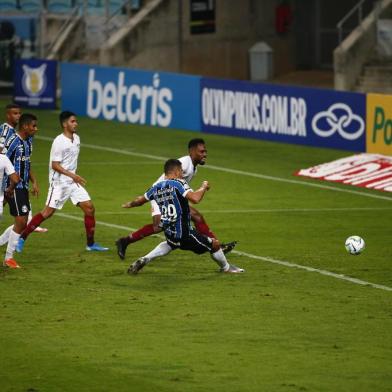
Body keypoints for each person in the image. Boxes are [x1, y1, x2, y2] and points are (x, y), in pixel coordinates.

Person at [115, 138, 236, 260]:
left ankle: (217, 245)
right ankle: (125, 241)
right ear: (192, 152)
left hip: (171, 195)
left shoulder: (193, 167)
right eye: (201, 152)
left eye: (205, 151)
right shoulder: (184, 164)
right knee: (158, 226)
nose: (205, 154)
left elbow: (180, 187)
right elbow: (170, 181)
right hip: (160, 194)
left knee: (197, 216)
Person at [122, 159, 244, 274]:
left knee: (170, 243)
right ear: (176, 171)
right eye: (181, 171)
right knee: (215, 244)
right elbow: (195, 199)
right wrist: (204, 187)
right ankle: (226, 268)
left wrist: (129, 204)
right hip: (186, 233)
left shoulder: (155, 188)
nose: (182, 174)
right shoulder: (178, 183)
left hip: (169, 231)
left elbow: (139, 201)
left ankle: (145, 259)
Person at [16, 111, 108, 253]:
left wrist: (73, 176)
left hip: (72, 182)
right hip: (59, 183)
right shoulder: (59, 142)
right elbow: (55, 165)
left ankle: (91, 244)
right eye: (72, 121)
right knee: (47, 213)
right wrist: (72, 175)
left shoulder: (76, 138)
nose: (76, 123)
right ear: (64, 124)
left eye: (76, 121)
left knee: (89, 208)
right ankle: (22, 237)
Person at [0, 103, 47, 234]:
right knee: (19, 218)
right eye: (15, 113)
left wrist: (34, 181)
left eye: (19, 113)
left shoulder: (27, 138)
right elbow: (3, 157)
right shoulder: (5, 131)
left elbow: (25, 161)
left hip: (18, 183)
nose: (18, 115)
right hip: (8, 180)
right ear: (7, 115)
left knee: (20, 218)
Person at [1, 113, 39, 268]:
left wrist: (34, 182)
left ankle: (7, 253)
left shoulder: (29, 141)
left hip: (23, 186)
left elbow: (26, 165)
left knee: (23, 221)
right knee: (21, 220)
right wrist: (8, 187)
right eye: (33, 126)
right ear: (25, 126)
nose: (36, 129)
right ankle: (8, 258)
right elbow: (3, 163)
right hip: (11, 187)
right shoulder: (12, 142)